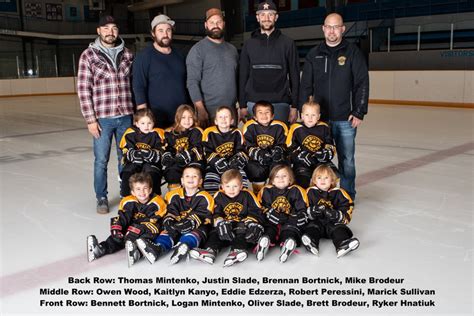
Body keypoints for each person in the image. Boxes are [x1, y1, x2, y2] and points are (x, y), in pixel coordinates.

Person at [299, 12, 369, 200]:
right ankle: (318, 195)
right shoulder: (314, 54)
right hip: (318, 120)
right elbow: (305, 85)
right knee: (316, 159)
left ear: (342, 29)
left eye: (336, 27)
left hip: (345, 118)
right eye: (328, 27)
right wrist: (303, 112)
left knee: (346, 160)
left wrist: (359, 111)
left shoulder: (353, 52)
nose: (332, 31)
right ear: (323, 28)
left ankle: (346, 196)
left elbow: (361, 82)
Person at [77, 15, 134, 214]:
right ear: (99, 31)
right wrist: (90, 119)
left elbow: (133, 84)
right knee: (101, 160)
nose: (110, 32)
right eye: (106, 28)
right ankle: (101, 197)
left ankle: (126, 193)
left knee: (125, 157)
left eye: (114, 28)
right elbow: (84, 89)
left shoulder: (127, 53)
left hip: (126, 115)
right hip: (103, 118)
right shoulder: (89, 55)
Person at [136, 166, 214, 265]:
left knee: (197, 232)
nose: (190, 179)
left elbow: (203, 214)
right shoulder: (173, 195)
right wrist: (168, 221)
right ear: (182, 180)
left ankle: (184, 245)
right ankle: (158, 249)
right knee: (167, 231)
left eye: (194, 176)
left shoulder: (205, 197)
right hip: (178, 224)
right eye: (187, 176)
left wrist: (189, 223)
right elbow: (170, 211)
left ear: (200, 181)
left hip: (196, 225)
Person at [86, 172, 167, 267]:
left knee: (147, 231)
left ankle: (137, 252)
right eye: (138, 189)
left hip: (151, 228)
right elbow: (124, 217)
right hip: (132, 228)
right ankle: (101, 249)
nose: (142, 192)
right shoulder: (128, 201)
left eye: (145, 188)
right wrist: (117, 227)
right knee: (118, 235)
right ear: (133, 192)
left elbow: (155, 222)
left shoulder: (158, 202)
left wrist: (136, 230)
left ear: (150, 190)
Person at [239, 0, 299, 124]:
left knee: (280, 141)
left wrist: (294, 106)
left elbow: (295, 77)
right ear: (257, 17)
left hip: (280, 103)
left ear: (276, 17)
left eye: (270, 14)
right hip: (253, 103)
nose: (266, 18)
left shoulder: (288, 43)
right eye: (262, 14)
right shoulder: (248, 44)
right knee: (255, 142)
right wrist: (242, 105)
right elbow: (243, 76)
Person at [189, 169, 265, 266]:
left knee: (242, 234)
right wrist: (220, 222)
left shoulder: (247, 194)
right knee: (215, 233)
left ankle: (237, 251)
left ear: (241, 186)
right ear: (222, 187)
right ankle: (210, 251)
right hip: (226, 225)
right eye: (228, 186)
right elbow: (215, 213)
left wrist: (251, 222)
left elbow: (256, 210)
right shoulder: (219, 195)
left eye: (235, 186)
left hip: (241, 224)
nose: (231, 189)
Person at [133, 14, 188, 128]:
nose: (165, 34)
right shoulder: (144, 57)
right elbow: (139, 86)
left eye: (168, 30)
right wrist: (143, 116)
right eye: (161, 30)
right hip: (156, 117)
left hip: (180, 117)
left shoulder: (180, 55)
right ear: (153, 33)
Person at [186, 8, 239, 127]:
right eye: (211, 22)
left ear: (224, 24)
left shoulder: (232, 50)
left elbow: (236, 79)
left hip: (231, 112)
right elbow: (192, 82)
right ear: (206, 25)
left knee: (232, 144)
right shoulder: (197, 50)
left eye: (219, 22)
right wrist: (200, 109)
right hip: (209, 112)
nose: (215, 25)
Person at [303, 165, 359, 258]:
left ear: (332, 180)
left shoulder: (339, 193)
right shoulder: (309, 192)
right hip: (316, 222)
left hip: (332, 223)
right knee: (311, 228)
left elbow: (348, 207)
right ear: (314, 180)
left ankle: (342, 244)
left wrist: (337, 215)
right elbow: (302, 208)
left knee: (339, 229)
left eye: (326, 178)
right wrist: (312, 212)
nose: (322, 180)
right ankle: (311, 242)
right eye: (319, 177)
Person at [256, 165, 308, 263]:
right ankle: (264, 242)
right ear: (272, 180)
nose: (280, 179)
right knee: (269, 229)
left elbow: (301, 208)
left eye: (284, 176)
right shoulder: (266, 190)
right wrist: (269, 213)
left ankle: (287, 244)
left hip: (289, 222)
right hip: (272, 222)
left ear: (290, 179)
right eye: (277, 176)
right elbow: (260, 207)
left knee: (290, 230)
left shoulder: (296, 190)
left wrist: (297, 216)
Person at [287, 97, 336, 188]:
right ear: (301, 116)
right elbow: (289, 149)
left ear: (318, 116)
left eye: (313, 115)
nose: (310, 118)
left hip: (320, 161)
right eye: (307, 115)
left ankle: (324, 198)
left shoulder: (324, 127)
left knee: (334, 176)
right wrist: (299, 156)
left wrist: (326, 153)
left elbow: (330, 145)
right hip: (302, 163)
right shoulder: (295, 128)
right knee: (302, 181)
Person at [242, 100, 288, 193]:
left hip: (273, 158)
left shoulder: (280, 126)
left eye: (267, 112)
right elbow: (247, 145)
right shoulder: (249, 126)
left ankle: (275, 192)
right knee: (255, 169)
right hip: (258, 159)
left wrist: (277, 151)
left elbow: (284, 144)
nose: (264, 115)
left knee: (279, 169)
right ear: (254, 116)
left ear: (272, 115)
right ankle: (258, 192)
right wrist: (258, 154)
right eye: (260, 113)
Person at [202, 106, 249, 194]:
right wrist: (217, 161)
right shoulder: (209, 133)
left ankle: (242, 199)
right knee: (210, 179)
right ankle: (213, 201)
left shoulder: (237, 132)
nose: (223, 119)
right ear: (215, 121)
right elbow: (206, 151)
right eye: (220, 117)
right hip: (214, 166)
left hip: (232, 165)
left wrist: (237, 161)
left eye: (226, 117)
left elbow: (242, 150)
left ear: (232, 120)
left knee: (241, 176)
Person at [119, 109, 165, 197]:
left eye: (149, 123)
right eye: (143, 123)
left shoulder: (158, 133)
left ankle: (155, 197)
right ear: (137, 124)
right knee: (127, 172)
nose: (146, 126)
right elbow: (125, 150)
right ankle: (126, 197)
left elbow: (161, 150)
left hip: (151, 162)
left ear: (153, 123)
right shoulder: (130, 133)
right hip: (135, 162)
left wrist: (152, 154)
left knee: (152, 173)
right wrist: (134, 155)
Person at [162, 104, 204, 191]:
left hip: (193, 161)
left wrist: (187, 155)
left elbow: (198, 148)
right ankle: (176, 197)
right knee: (171, 172)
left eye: (190, 117)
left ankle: (195, 197)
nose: (187, 120)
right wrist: (167, 155)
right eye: (183, 117)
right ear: (178, 118)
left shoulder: (196, 131)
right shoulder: (170, 133)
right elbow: (168, 148)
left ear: (194, 118)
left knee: (193, 173)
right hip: (177, 162)